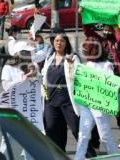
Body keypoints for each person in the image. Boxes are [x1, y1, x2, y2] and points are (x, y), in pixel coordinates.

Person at [41, 29, 96, 157]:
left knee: (78, 130)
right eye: (56, 41)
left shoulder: (73, 57)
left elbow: (78, 78)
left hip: (67, 101)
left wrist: (71, 66)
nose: (59, 43)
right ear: (53, 42)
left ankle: (91, 156)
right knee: (52, 131)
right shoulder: (49, 57)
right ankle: (59, 156)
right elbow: (44, 75)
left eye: (61, 41)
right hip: (51, 101)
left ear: (66, 43)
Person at [82, 23, 120, 149]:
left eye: (109, 30)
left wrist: (116, 24)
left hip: (116, 82)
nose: (106, 31)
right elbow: (88, 32)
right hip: (101, 83)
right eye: (105, 29)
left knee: (119, 115)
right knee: (97, 114)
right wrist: (87, 20)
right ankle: (95, 142)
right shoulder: (101, 42)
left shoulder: (119, 45)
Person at [74, 36, 119, 160]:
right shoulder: (85, 65)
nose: (91, 51)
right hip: (86, 104)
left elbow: (111, 85)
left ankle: (117, 158)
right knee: (83, 134)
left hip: (100, 104)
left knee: (105, 135)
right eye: (89, 48)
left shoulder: (106, 65)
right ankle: (78, 158)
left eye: (93, 48)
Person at [1, 41, 40, 160]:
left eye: (29, 53)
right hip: (12, 110)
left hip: (28, 109)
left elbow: (39, 86)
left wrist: (36, 74)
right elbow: (6, 87)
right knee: (7, 140)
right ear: (19, 53)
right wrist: (22, 79)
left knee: (30, 142)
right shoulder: (8, 68)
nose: (29, 55)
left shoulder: (32, 66)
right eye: (26, 52)